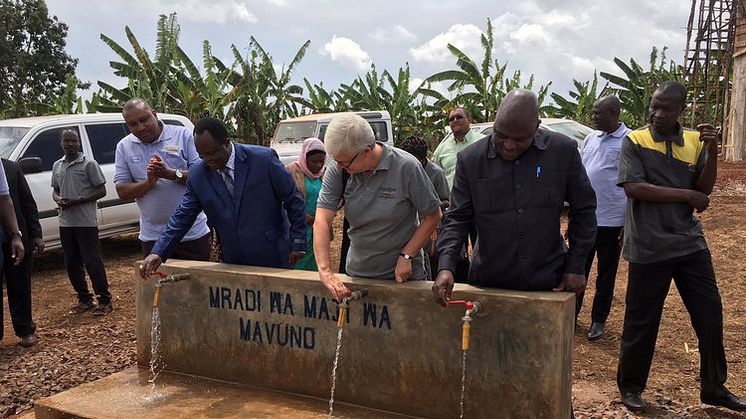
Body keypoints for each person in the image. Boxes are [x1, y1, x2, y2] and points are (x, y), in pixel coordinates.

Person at [616, 81, 746, 412]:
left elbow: (704, 189)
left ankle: (714, 388)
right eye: (653, 107)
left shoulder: (692, 142)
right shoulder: (636, 140)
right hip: (648, 246)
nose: (657, 114)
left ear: (680, 111)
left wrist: (713, 151)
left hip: (688, 243)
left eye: (666, 109)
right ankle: (630, 387)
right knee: (641, 320)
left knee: (709, 314)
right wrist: (685, 195)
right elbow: (634, 188)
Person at [432, 88, 596, 299]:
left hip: (548, 280)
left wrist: (576, 264)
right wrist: (446, 266)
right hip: (490, 283)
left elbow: (584, 209)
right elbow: (457, 218)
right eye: (500, 135)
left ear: (536, 127)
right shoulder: (471, 160)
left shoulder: (562, 152)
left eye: (520, 140)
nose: (508, 145)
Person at [140, 117, 306, 276]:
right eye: (201, 155)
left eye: (211, 153)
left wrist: (297, 241)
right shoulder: (199, 174)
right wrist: (159, 252)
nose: (207, 160)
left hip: (272, 253)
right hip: (233, 258)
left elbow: (293, 199)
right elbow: (182, 216)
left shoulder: (263, 159)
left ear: (227, 143)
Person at [313, 114, 441, 301]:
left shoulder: (406, 167)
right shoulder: (338, 170)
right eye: (336, 161)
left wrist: (407, 255)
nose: (339, 166)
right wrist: (325, 272)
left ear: (366, 152)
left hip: (403, 277)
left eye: (344, 162)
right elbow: (322, 221)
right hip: (357, 273)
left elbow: (433, 215)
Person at [115, 99, 210, 260]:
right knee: (159, 284)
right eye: (133, 124)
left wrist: (171, 174)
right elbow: (122, 191)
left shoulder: (183, 135)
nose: (140, 127)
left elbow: (204, 177)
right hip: (153, 238)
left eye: (144, 120)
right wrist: (149, 183)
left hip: (191, 234)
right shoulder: (124, 147)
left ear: (154, 114)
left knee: (195, 285)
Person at [576, 96, 631, 341]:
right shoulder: (590, 139)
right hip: (587, 219)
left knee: (606, 274)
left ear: (615, 113)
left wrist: (628, 221)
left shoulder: (628, 140)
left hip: (613, 220)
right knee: (577, 269)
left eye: (598, 113)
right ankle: (571, 315)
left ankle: (598, 320)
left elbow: (633, 182)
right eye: (593, 113)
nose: (594, 117)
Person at [52, 128, 112, 316]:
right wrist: (58, 199)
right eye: (67, 141)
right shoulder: (58, 165)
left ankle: (104, 300)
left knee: (92, 261)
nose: (71, 144)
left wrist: (77, 201)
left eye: (74, 141)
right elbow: (55, 189)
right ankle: (84, 298)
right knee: (72, 262)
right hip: (66, 223)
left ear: (79, 143)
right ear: (60, 143)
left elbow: (102, 191)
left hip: (86, 222)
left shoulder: (89, 164)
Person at [0, 158, 43, 347]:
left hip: (16, 239)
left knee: (20, 286)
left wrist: (36, 234)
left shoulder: (10, 167)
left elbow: (27, 204)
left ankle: (25, 330)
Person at [400, 135, 449, 279]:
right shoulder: (403, 169)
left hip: (429, 225)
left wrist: (429, 205)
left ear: (422, 159)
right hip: (409, 225)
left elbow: (446, 201)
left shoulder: (437, 173)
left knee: (431, 260)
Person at [285, 137, 326, 271]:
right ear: (304, 157)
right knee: (298, 264)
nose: (319, 165)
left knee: (318, 263)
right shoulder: (291, 171)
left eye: (322, 161)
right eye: (314, 161)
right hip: (299, 229)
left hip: (318, 229)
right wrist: (301, 215)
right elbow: (284, 199)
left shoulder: (324, 174)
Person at [432, 107, 483, 192]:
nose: (455, 120)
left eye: (459, 117)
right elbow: (436, 176)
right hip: (452, 202)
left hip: (479, 200)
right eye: (451, 119)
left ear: (469, 120)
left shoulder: (483, 142)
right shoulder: (442, 149)